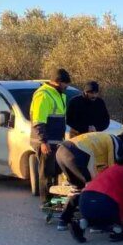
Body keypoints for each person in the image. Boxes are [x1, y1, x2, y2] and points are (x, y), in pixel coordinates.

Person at [60, 162, 123, 244]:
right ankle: (117, 230)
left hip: (85, 200)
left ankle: (82, 224)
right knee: (114, 213)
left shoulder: (112, 168)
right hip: (106, 202)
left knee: (96, 214)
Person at [30, 68, 71, 207]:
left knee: (55, 172)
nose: (67, 87)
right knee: (46, 173)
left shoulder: (60, 94)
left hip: (56, 141)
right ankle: (46, 202)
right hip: (45, 141)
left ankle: (54, 200)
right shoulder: (43, 95)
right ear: (58, 82)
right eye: (65, 84)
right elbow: (39, 121)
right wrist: (44, 141)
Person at [55, 132, 123, 189]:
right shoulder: (116, 142)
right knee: (92, 187)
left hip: (60, 151)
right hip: (73, 153)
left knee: (78, 187)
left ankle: (71, 205)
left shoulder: (104, 138)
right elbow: (113, 168)